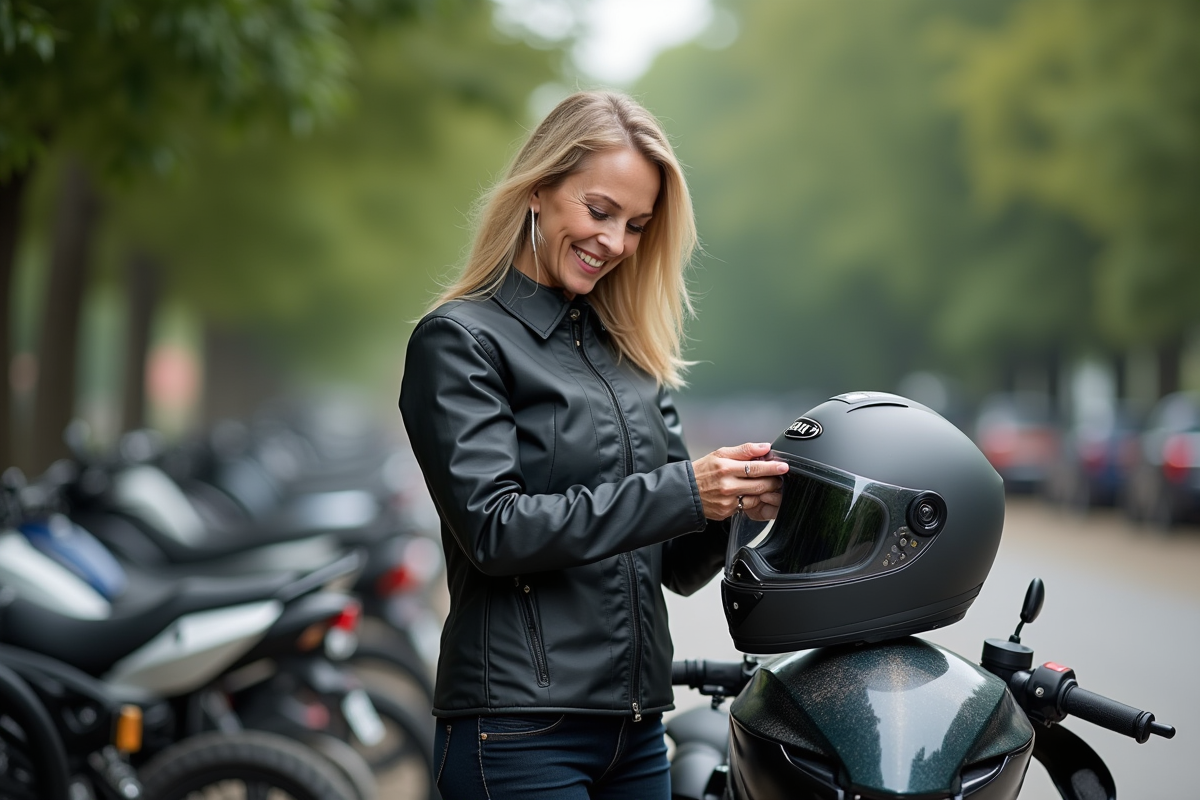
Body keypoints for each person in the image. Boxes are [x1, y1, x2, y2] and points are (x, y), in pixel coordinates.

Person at [398, 89, 787, 800]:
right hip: (515, 733)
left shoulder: (631, 356)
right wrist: (684, 489)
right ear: (538, 190)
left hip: (635, 734)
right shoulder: (459, 342)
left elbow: (675, 565)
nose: (615, 242)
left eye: (636, 225)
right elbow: (494, 530)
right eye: (600, 211)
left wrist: (735, 503)